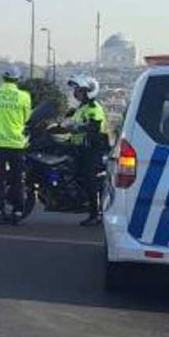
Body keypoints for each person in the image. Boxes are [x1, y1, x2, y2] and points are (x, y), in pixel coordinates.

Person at [0, 66, 32, 223]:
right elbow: (27, 119)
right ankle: (18, 211)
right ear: (17, 80)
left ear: (3, 79)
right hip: (16, 143)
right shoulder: (24, 97)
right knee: (17, 179)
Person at [65, 75, 109, 227]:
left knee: (89, 180)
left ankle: (94, 214)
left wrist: (75, 127)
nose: (76, 93)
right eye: (76, 90)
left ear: (90, 91)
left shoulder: (94, 108)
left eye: (80, 91)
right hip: (80, 148)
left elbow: (94, 127)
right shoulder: (81, 108)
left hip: (92, 150)